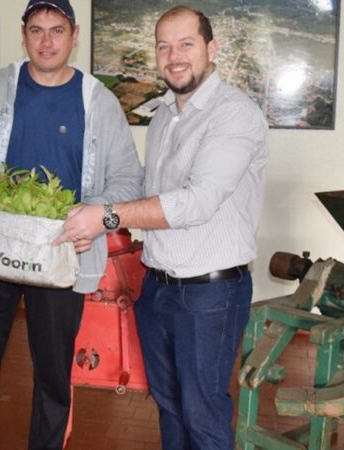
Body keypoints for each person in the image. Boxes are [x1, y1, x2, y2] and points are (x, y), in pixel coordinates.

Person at [55, 5, 269, 449]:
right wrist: (85, 204)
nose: (174, 56)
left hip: (210, 295)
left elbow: (196, 202)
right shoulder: (165, 116)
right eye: (163, 46)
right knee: (170, 407)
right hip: (157, 290)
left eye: (186, 44)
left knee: (203, 414)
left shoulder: (235, 115)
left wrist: (107, 216)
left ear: (212, 49)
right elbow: (146, 190)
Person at [0, 0, 144, 447]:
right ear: (24, 35)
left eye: (57, 30)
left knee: (53, 377)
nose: (46, 41)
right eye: (37, 30)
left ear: (74, 35)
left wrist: (95, 214)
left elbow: (129, 177)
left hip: (62, 252)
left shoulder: (98, 102)